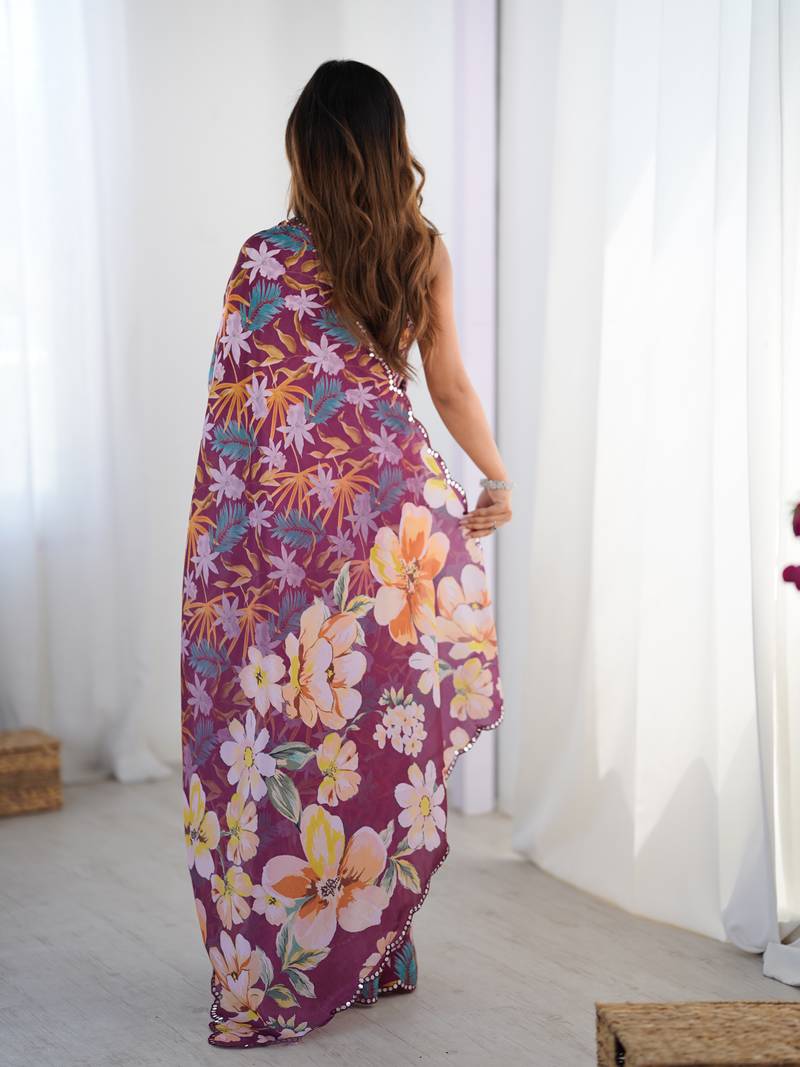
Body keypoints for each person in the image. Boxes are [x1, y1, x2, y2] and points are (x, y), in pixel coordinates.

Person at [180, 58, 512, 1049]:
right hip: (393, 535)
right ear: (387, 148)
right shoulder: (419, 247)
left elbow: (240, 424)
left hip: (286, 547)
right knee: (373, 733)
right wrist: (494, 476)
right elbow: (446, 383)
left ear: (305, 150)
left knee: (284, 738)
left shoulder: (261, 258)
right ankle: (374, 948)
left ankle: (305, 951)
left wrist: (229, 562)